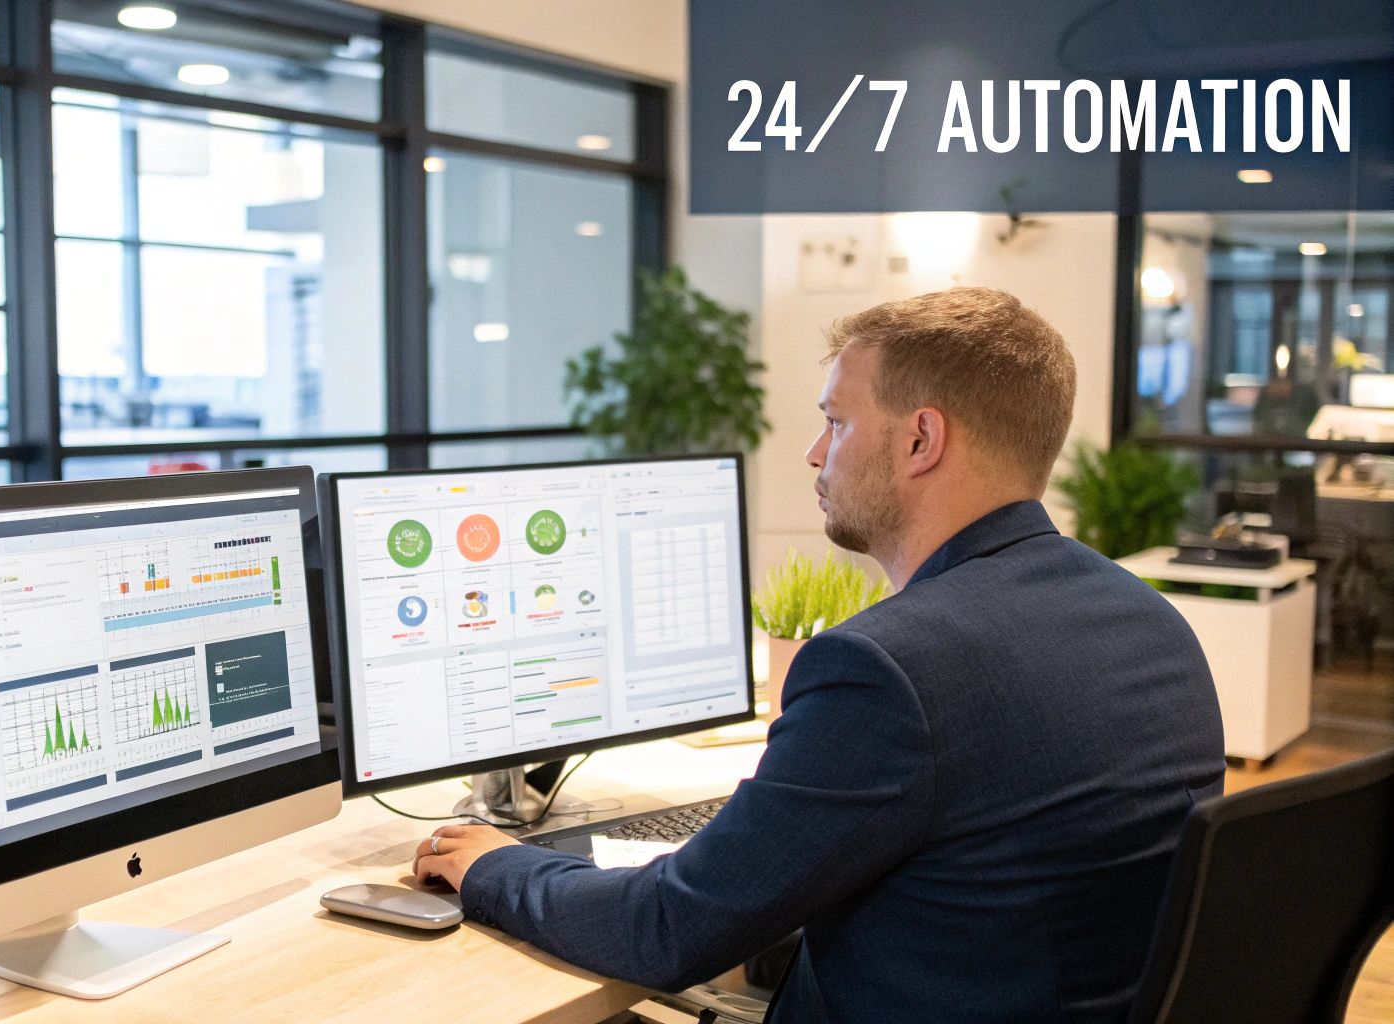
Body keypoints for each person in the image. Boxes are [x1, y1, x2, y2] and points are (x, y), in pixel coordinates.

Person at [412, 288, 1225, 1022]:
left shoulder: (889, 669)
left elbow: (667, 930)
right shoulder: (1151, 624)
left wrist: (495, 867)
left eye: (836, 422)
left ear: (920, 440)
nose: (812, 451)